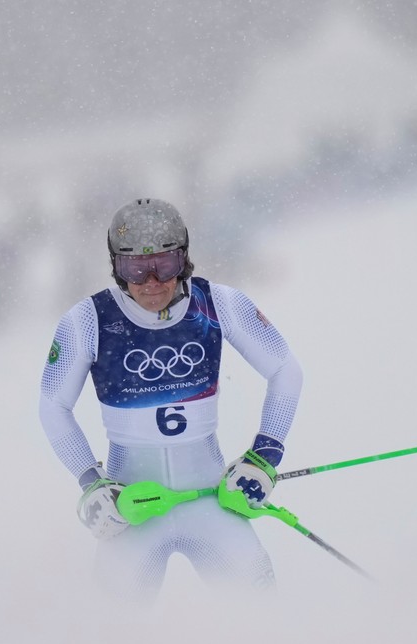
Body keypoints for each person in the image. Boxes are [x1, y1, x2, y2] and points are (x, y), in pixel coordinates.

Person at [38, 198, 303, 602]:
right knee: (114, 635)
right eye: (134, 268)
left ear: (184, 260)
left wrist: (264, 457)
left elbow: (286, 370)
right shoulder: (87, 320)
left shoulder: (219, 304)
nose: (150, 281)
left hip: (211, 503)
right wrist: (92, 485)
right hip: (130, 512)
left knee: (261, 610)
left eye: (164, 264)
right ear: (116, 266)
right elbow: (53, 406)